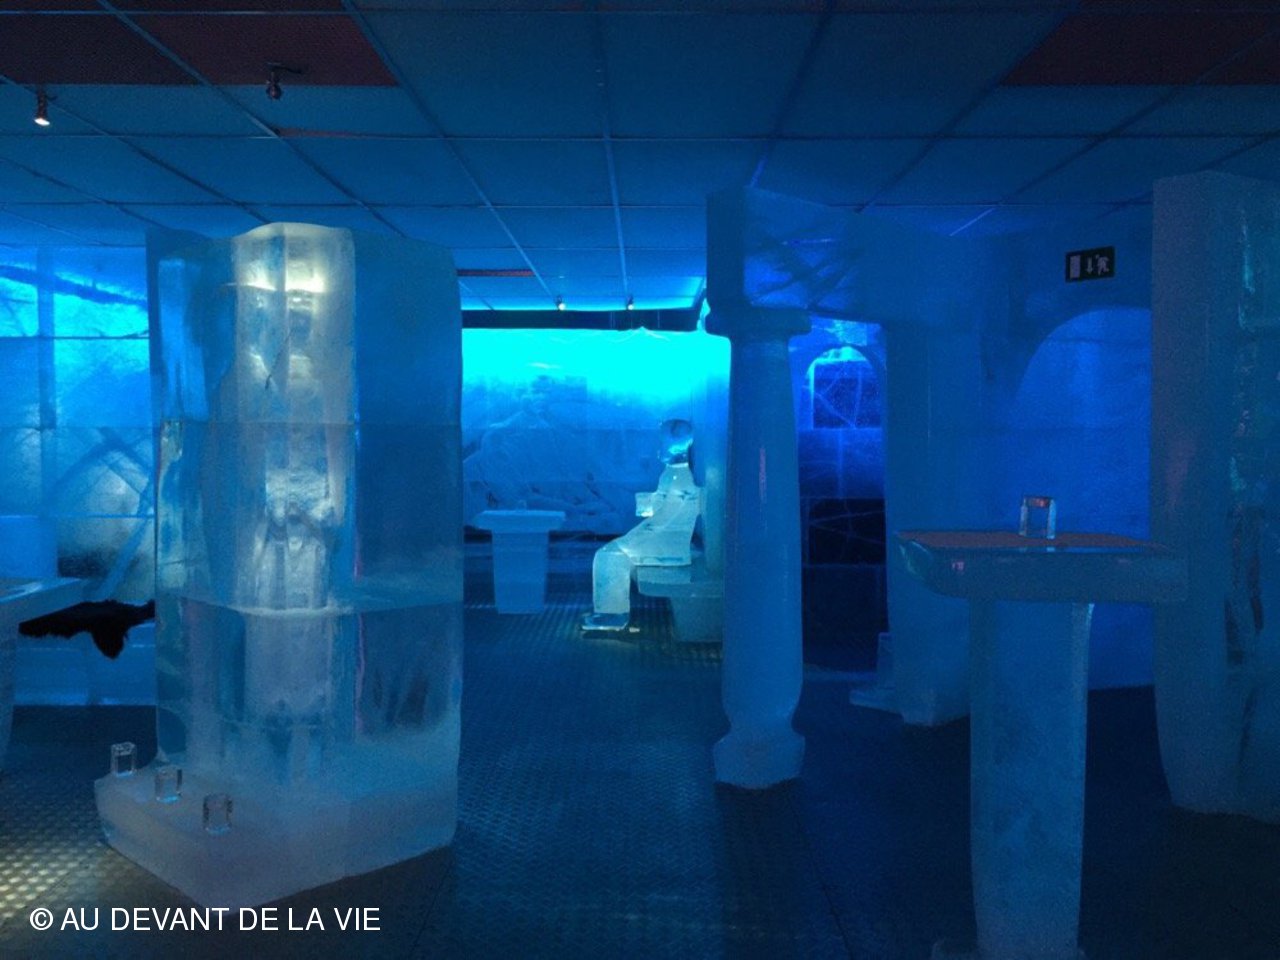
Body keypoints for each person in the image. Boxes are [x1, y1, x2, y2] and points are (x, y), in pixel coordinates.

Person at [582, 418, 701, 631]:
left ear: (676, 444)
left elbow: (665, 520)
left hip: (669, 546)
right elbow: (665, 510)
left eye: (662, 440)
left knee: (609, 556)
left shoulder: (681, 478)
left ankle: (612, 615)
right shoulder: (673, 473)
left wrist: (630, 540)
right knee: (611, 552)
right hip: (668, 540)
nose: (658, 445)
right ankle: (609, 610)